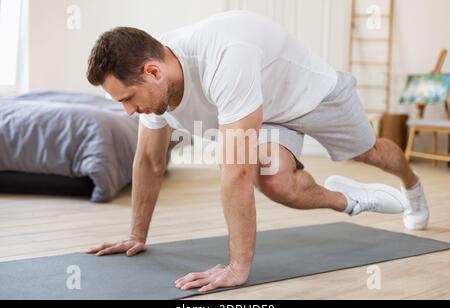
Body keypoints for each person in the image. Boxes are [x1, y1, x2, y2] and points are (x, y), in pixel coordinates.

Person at [85, 11, 429, 293]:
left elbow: (236, 170)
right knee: (276, 182)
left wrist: (238, 268)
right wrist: (136, 235)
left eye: (128, 99)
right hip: (260, 109)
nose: (128, 111)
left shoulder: (223, 57)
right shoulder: (155, 88)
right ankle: (349, 199)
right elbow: (148, 160)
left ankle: (411, 185)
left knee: (371, 153)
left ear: (153, 72)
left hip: (314, 95)